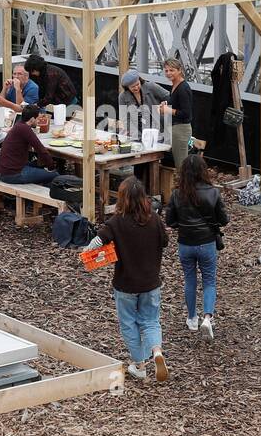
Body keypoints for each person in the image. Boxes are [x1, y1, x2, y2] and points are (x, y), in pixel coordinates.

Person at [96, 177, 169, 382]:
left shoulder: (116, 222)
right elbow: (164, 241)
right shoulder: (154, 219)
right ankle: (156, 351)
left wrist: (87, 251)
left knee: (129, 323)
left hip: (126, 284)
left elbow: (99, 239)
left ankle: (140, 365)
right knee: (151, 320)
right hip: (150, 282)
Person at [165, 154, 228, 341]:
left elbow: (170, 221)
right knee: (209, 280)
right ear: (203, 171)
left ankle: (192, 318)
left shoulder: (177, 194)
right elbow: (224, 219)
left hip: (185, 243)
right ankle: (207, 318)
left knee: (190, 280)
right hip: (207, 242)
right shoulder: (213, 192)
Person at [0, 104, 59, 185]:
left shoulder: (18, 125)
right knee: (54, 175)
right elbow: (41, 150)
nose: (38, 121)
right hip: (13, 174)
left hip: (4, 171)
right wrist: (51, 167)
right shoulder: (25, 129)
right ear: (32, 119)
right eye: (38, 119)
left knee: (39, 168)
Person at [159, 57, 195, 167]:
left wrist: (168, 110)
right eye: (166, 70)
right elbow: (177, 104)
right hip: (176, 129)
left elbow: (186, 113)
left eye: (172, 70)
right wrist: (166, 103)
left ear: (180, 70)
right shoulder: (175, 85)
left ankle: (185, 184)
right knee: (179, 164)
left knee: (181, 166)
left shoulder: (183, 88)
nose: (169, 73)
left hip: (181, 130)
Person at [116, 69, 168, 142]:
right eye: (133, 87)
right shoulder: (122, 97)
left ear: (140, 80)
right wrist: (138, 136)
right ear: (127, 87)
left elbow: (169, 96)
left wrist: (164, 104)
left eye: (137, 84)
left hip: (158, 128)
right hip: (137, 131)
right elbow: (124, 119)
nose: (136, 87)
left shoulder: (151, 86)